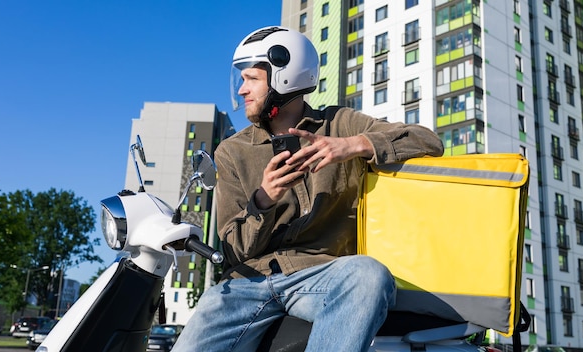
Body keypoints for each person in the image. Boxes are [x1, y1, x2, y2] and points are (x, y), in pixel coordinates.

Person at [172, 26, 444, 352]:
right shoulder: (231, 152)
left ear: (285, 77)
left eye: (252, 79)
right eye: (241, 79)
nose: (242, 89)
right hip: (248, 283)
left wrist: (355, 145)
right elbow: (232, 251)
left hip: (323, 276)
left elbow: (428, 140)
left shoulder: (341, 124)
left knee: (369, 275)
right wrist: (264, 199)